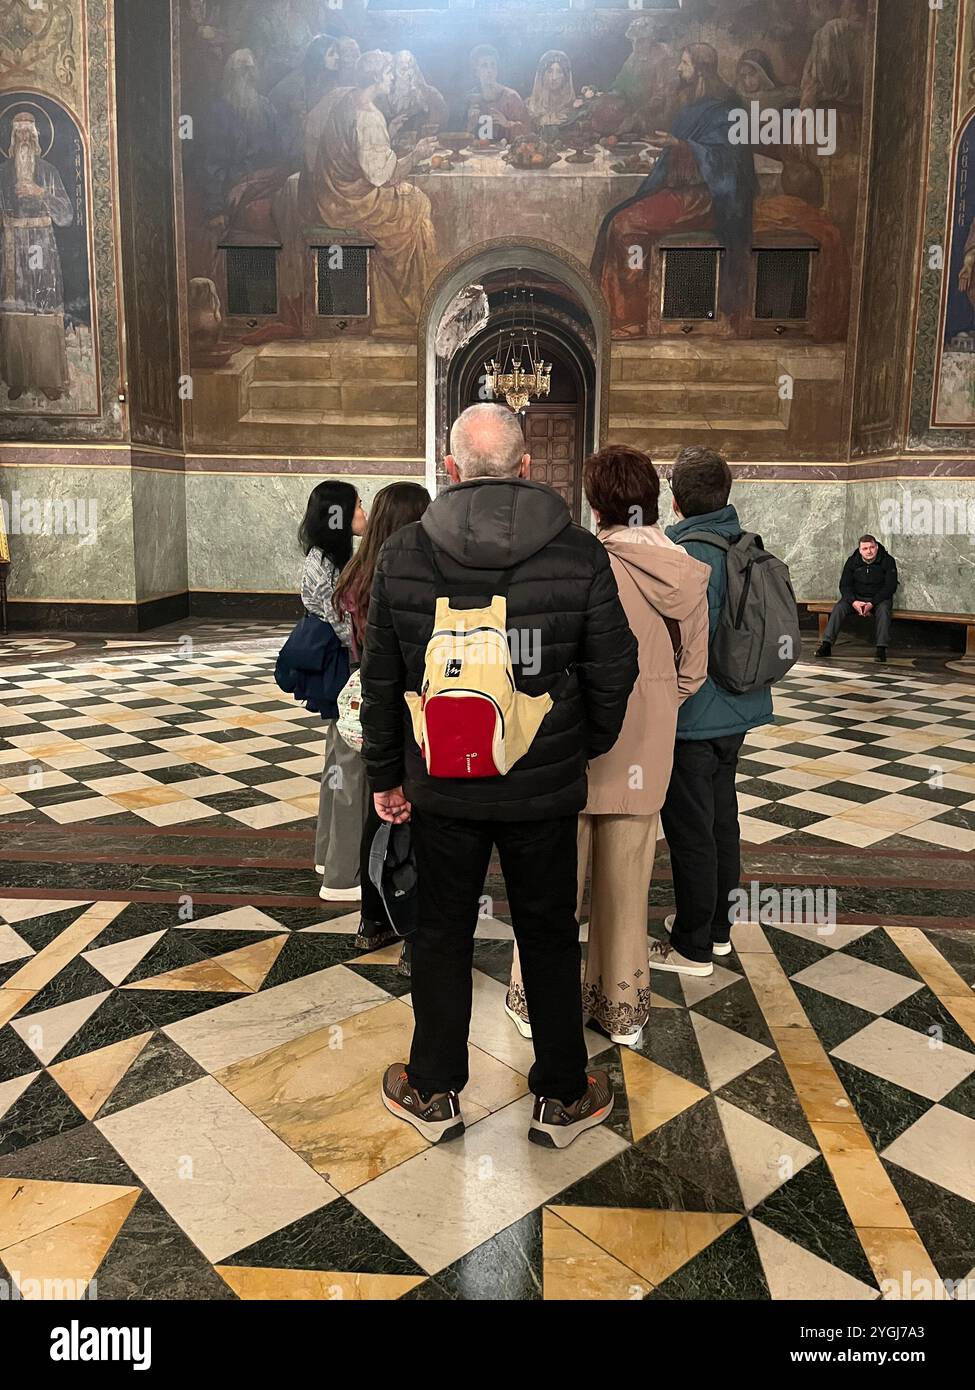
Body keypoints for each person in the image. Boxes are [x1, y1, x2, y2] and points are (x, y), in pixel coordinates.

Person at [360, 403, 638, 1148]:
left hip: (441, 784)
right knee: (547, 933)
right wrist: (576, 747)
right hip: (542, 788)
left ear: (449, 469)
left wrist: (387, 772)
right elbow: (615, 673)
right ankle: (561, 1094)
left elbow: (381, 677)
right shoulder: (580, 552)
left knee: (441, 932)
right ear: (525, 468)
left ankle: (432, 1088)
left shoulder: (405, 554)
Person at [506, 446, 709, 1048]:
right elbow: (692, 672)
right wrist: (652, 704)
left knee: (551, 889)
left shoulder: (575, 560)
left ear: (595, 503)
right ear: (653, 498)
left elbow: (539, 656)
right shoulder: (686, 569)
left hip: (570, 745)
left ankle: (534, 997)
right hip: (647, 748)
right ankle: (622, 1010)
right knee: (627, 887)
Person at [656, 446, 774, 977]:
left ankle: (692, 944)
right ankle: (721, 929)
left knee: (690, 828)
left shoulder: (678, 554)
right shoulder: (743, 543)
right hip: (740, 708)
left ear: (675, 498)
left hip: (692, 715)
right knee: (722, 817)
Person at [592, 43, 757, 336]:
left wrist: (679, 146)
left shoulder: (728, 108)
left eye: (684, 63)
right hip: (686, 191)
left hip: (708, 198)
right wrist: (672, 148)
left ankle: (631, 317)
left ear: (700, 70)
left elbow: (728, 163)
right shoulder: (693, 104)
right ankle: (618, 312)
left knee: (624, 225)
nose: (679, 69)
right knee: (616, 220)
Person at [333, 482, 431, 960]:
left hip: (372, 707)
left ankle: (373, 921)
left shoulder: (356, 576)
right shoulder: (414, 577)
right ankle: (415, 934)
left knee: (380, 813)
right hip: (410, 705)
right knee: (415, 821)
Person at [310, 50, 437, 337]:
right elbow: (382, 177)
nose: (392, 79)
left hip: (332, 192)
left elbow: (361, 154)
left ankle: (403, 305)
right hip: (350, 201)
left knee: (412, 198)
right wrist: (416, 155)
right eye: (389, 73)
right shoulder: (369, 115)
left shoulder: (347, 100)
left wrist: (387, 134)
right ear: (377, 78)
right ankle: (404, 308)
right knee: (418, 205)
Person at [299, 480, 368, 901]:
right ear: (338, 516)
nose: (364, 513)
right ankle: (341, 876)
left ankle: (329, 856)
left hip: (345, 671)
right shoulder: (324, 566)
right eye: (358, 506)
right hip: (346, 672)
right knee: (347, 765)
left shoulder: (331, 558)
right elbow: (344, 628)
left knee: (337, 762)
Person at [0, 112, 74, 403]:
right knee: (15, 308)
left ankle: (46, 378)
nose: (24, 140)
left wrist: (41, 193)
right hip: (13, 249)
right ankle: (18, 375)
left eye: (29, 134)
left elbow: (67, 215)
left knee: (43, 306)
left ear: (37, 138)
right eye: (19, 134)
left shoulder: (48, 172)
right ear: (11, 139)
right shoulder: (3, 173)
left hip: (41, 248)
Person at [816, 534, 898, 662]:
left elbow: (890, 587)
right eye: (865, 549)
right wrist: (854, 602)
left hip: (879, 599)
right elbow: (844, 585)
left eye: (871, 547)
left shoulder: (888, 561)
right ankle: (826, 645)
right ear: (860, 550)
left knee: (884, 611)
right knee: (839, 608)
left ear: (876, 547)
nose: (869, 551)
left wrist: (872, 603)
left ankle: (881, 649)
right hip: (856, 598)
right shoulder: (852, 561)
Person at [464, 45, 531, 141]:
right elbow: (458, 136)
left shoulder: (511, 97)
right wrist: (471, 124)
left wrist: (507, 124)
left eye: (493, 65)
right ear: (476, 71)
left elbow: (527, 132)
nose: (489, 70)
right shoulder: (470, 98)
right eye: (484, 66)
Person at [527, 51, 576, 134]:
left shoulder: (573, 107)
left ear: (566, 77)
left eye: (559, 72)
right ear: (542, 75)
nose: (554, 77)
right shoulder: (530, 106)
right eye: (549, 71)